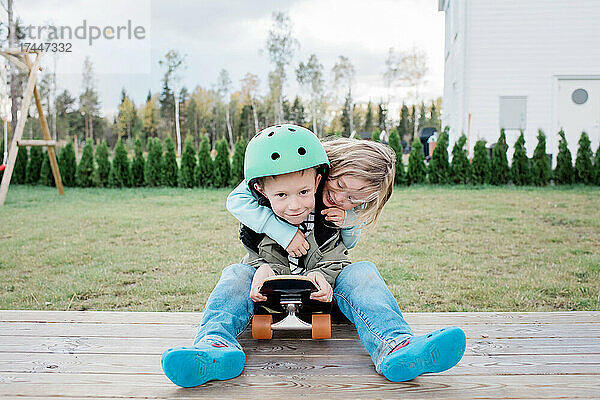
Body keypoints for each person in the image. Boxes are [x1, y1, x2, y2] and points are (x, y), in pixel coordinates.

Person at [226, 126, 466, 383]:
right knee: (235, 274)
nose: (340, 198)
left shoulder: (339, 209)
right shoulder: (292, 171)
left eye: (354, 199)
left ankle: (397, 346)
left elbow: (347, 245)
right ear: (327, 167)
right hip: (268, 285)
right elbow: (237, 200)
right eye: (339, 185)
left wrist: (348, 220)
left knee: (362, 271)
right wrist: (283, 232)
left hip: (326, 288)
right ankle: (214, 345)